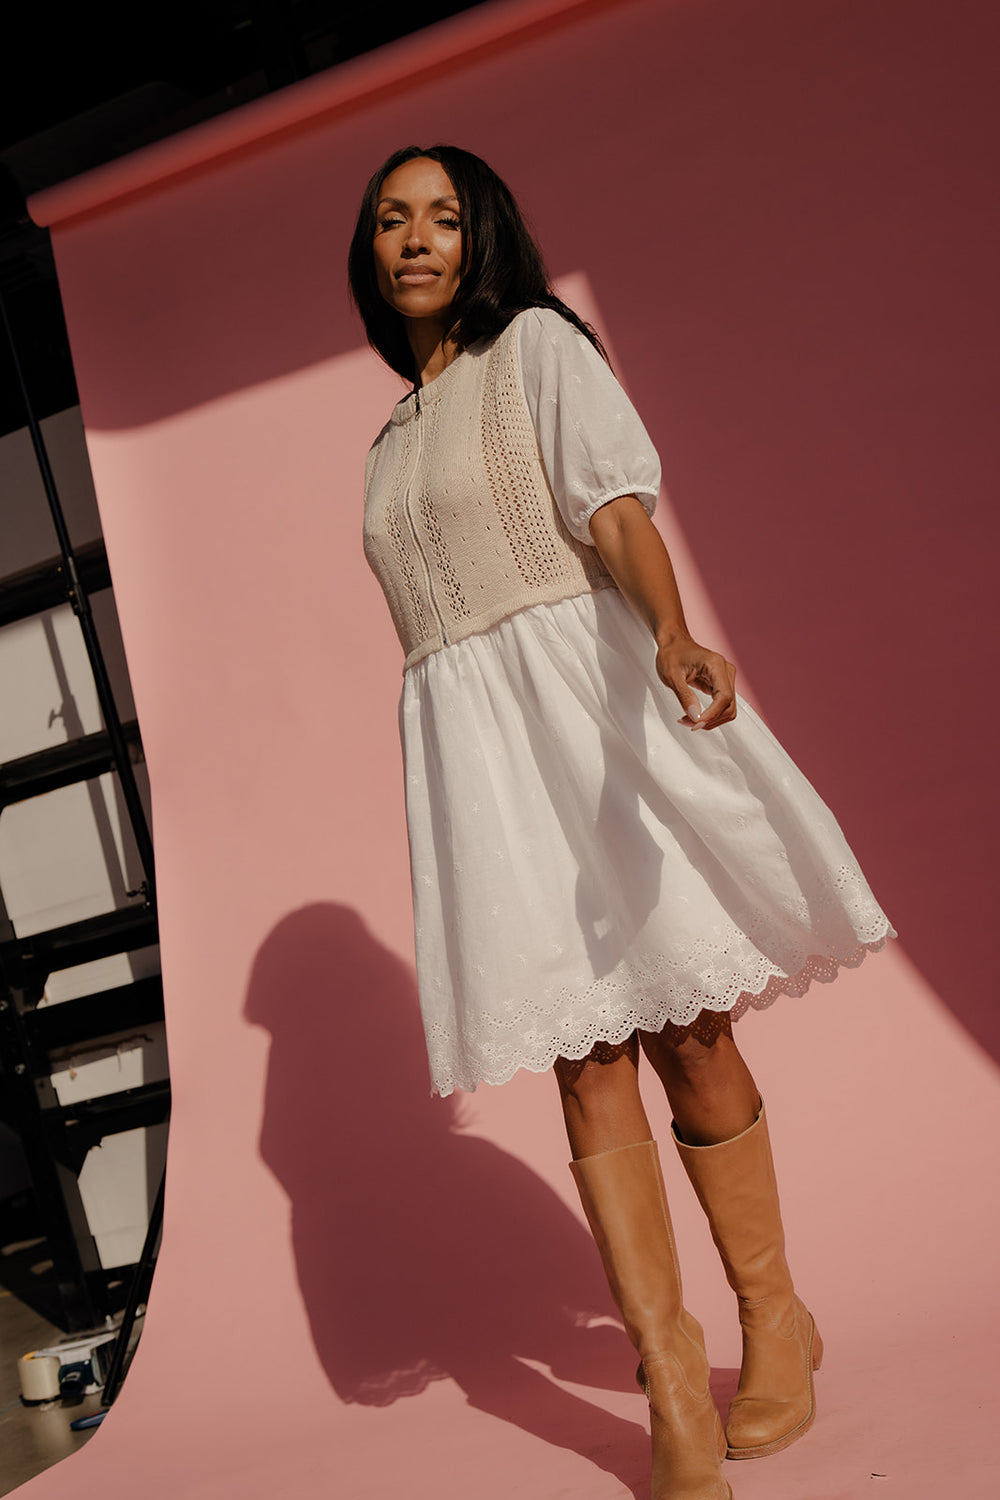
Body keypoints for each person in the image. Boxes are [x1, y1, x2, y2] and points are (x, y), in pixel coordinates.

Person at [348, 144, 895, 1500]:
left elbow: (611, 505)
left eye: (445, 218)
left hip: (591, 723)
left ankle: (777, 1322)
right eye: (391, 221)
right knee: (580, 1062)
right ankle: (669, 1380)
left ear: (487, 238)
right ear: (368, 253)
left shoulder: (537, 347)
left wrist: (674, 629)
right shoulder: (384, 440)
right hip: (481, 766)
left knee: (688, 1035)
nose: (418, 240)